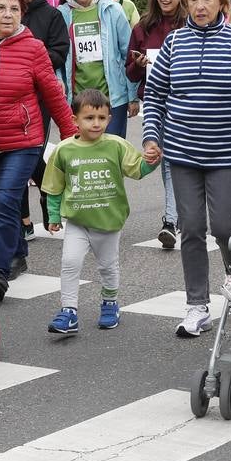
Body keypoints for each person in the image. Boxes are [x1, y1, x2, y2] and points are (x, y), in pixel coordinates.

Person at [142, 0, 231, 337]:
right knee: (192, 229)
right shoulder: (174, 43)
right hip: (182, 154)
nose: (200, 5)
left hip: (228, 155)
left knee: (226, 230)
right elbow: (155, 96)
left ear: (222, 3)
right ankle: (197, 305)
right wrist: (153, 137)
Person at [0, 0, 76, 299]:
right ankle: (19, 248)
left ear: (23, 13)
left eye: (14, 9)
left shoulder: (33, 47)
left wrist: (70, 135)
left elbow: (53, 94)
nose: (7, 14)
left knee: (5, 199)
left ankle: (2, 266)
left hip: (24, 141)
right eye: (1, 8)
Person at [44, 89, 155, 335]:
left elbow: (136, 169)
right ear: (75, 120)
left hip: (108, 220)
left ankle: (110, 303)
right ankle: (68, 311)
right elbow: (54, 186)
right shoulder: (64, 150)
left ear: (109, 118)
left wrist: (151, 161)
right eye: (89, 117)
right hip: (77, 221)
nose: (96, 123)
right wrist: (53, 216)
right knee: (70, 263)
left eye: (102, 118)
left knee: (107, 266)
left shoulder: (116, 145)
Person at [7, 0, 71, 254]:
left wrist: (32, 57)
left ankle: (48, 192)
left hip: (38, 96)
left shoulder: (51, 15)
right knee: (8, 161)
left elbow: (60, 50)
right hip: (6, 97)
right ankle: (23, 220)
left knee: (27, 155)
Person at [126, 0, 185, 248]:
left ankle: (174, 217)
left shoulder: (189, 25)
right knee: (163, 157)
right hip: (154, 100)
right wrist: (137, 65)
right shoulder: (143, 27)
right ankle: (173, 218)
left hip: (186, 102)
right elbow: (130, 72)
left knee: (176, 160)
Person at [57, 0, 134, 139]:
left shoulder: (112, 10)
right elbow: (58, 60)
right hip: (77, 100)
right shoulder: (62, 15)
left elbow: (128, 54)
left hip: (112, 98)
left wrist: (132, 95)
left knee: (112, 155)